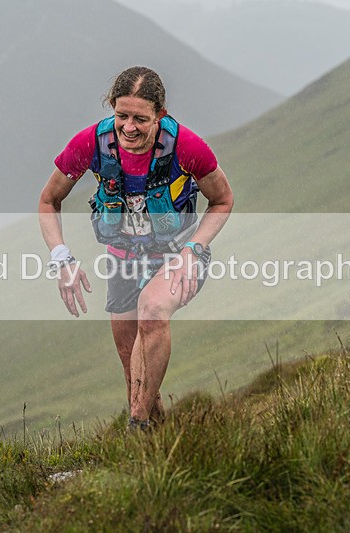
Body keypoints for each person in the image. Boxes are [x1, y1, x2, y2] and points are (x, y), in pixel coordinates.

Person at [38, 66, 233, 431]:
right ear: (112, 108)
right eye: (121, 116)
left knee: (153, 311)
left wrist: (194, 250)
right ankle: (156, 436)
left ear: (160, 113)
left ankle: (135, 428)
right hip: (122, 262)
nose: (129, 127)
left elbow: (222, 200)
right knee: (134, 372)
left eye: (140, 119)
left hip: (176, 256)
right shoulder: (91, 144)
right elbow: (49, 201)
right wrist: (60, 257)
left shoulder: (187, 148)